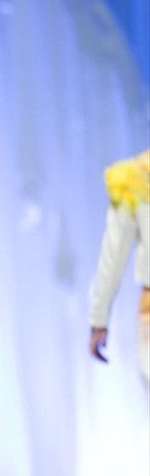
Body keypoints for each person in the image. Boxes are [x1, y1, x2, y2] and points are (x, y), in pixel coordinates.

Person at [89, 149, 149, 383]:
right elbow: (113, 254)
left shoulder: (136, 176)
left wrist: (99, 320)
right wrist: (99, 317)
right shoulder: (135, 178)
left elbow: (113, 254)